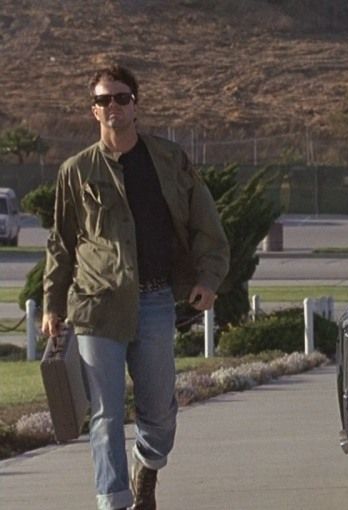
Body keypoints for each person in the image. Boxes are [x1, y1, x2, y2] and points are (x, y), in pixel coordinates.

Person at [42, 64, 230, 510]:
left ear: (136, 104)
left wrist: (207, 279)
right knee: (105, 413)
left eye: (122, 98)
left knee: (159, 412)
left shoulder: (169, 159)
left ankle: (147, 465)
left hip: (154, 300)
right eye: (104, 100)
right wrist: (52, 303)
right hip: (97, 305)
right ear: (94, 110)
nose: (114, 106)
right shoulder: (76, 171)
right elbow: (61, 244)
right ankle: (114, 500)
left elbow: (206, 225)